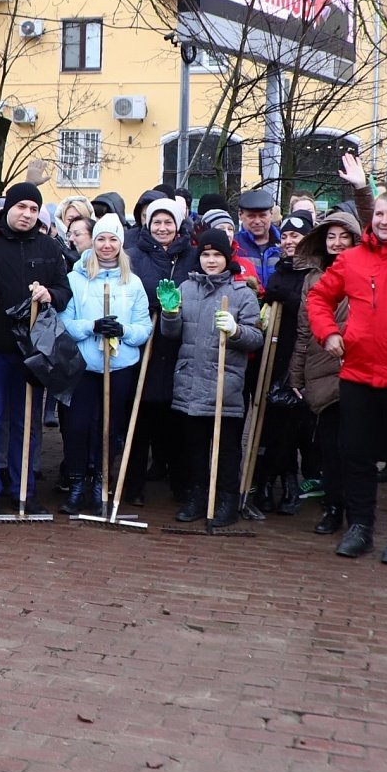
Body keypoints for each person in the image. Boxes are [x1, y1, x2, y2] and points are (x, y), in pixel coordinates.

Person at [305, 191, 387, 567]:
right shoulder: (351, 260)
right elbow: (318, 298)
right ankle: (359, 527)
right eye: (379, 213)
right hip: (358, 376)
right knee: (356, 456)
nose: (384, 220)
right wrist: (328, 332)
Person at [0, 181, 73, 516]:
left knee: (27, 421)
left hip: (32, 350)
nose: (26, 214)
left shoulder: (49, 247)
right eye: (20, 207)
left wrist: (50, 295)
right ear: (6, 208)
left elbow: (63, 290)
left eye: (32, 209)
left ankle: (23, 487)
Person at [156, 228, 263, 527]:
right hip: (190, 382)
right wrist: (170, 312)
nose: (211, 260)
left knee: (227, 447)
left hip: (223, 385)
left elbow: (256, 338)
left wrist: (236, 330)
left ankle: (226, 499)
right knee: (194, 446)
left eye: (217, 255)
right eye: (205, 254)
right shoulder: (186, 290)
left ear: (227, 257)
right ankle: (197, 496)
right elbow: (171, 335)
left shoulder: (241, 293)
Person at [59, 214, 151, 516]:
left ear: (120, 244)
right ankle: (76, 483)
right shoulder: (75, 279)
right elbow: (65, 323)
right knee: (77, 426)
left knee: (108, 427)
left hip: (119, 365)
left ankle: (102, 481)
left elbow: (143, 328)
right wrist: (91, 326)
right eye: (101, 238)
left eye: (113, 239)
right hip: (83, 366)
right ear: (93, 242)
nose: (107, 245)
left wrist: (123, 331)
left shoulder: (133, 282)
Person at [287, 210, 360, 533]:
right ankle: (333, 507)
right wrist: (296, 372)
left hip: (359, 365)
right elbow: (304, 329)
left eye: (344, 236)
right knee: (330, 445)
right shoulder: (313, 279)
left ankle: (359, 512)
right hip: (321, 365)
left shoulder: (367, 271)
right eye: (331, 236)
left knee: (357, 447)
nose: (337, 243)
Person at [126, 197, 197, 505]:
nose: (163, 227)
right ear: (147, 224)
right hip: (145, 344)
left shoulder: (192, 256)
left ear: (178, 225)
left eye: (169, 222)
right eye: (157, 222)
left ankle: (181, 484)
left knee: (178, 419)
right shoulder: (133, 255)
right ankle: (133, 486)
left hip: (181, 344)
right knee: (140, 416)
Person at [255, 211, 314, 515]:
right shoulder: (281, 270)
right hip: (274, 356)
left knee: (294, 425)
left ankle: (288, 483)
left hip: (302, 357)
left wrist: (288, 300)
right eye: (287, 235)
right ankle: (266, 483)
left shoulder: (315, 271)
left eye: (297, 236)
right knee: (272, 425)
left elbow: (312, 311)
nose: (290, 241)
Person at [234, 189, 283, 286]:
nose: (257, 221)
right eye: (251, 216)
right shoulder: (233, 245)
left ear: (271, 214)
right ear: (240, 215)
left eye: (262, 215)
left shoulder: (285, 243)